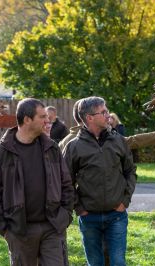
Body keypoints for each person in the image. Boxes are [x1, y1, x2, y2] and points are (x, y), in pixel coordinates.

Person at [0, 98, 74, 265]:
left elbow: (66, 184)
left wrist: (65, 215)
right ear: (27, 119)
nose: (48, 120)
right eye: (42, 116)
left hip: (53, 226)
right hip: (19, 230)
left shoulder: (51, 148)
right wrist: (5, 229)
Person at [63, 96, 136, 266]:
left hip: (116, 215)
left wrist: (124, 201)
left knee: (118, 262)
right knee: (95, 263)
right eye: (103, 112)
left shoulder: (118, 140)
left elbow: (130, 171)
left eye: (107, 110)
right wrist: (79, 208)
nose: (108, 115)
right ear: (89, 118)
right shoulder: (73, 146)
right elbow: (65, 181)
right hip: (89, 218)